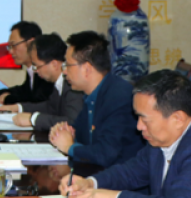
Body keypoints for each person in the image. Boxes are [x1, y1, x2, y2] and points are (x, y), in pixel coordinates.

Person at [58, 70, 191, 198]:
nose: (139, 126)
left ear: (178, 119)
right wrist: (90, 183)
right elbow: (131, 172)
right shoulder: (162, 136)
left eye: (144, 119)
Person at [47, 31, 143, 171]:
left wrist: (69, 147)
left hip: (121, 179)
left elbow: (105, 154)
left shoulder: (119, 98)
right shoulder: (92, 95)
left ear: (87, 69)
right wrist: (64, 132)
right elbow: (79, 133)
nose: (64, 72)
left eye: (68, 65)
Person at [0, 33, 83, 130]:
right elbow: (50, 107)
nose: (35, 71)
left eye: (37, 66)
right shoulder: (60, 82)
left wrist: (33, 119)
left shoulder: (73, 86)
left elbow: (72, 122)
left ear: (54, 64)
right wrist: (18, 107)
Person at [0, 21, 53, 105]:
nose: (10, 51)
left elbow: (38, 101)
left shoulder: (46, 68)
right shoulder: (32, 68)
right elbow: (23, 91)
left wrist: (8, 99)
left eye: (14, 45)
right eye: (9, 47)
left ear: (31, 43)